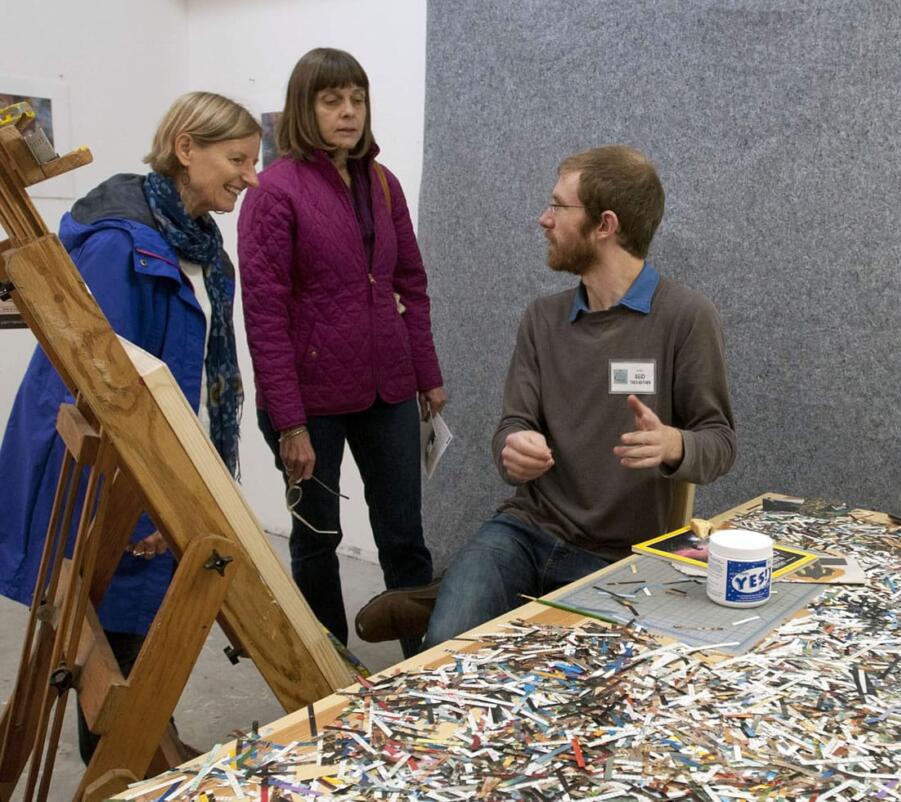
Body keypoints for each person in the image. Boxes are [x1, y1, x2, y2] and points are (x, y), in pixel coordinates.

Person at [0, 91, 260, 761]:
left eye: (254, 161)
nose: (251, 176)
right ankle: (133, 762)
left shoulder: (200, 244)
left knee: (146, 650)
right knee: (118, 659)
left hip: (174, 477)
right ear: (185, 149)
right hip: (127, 491)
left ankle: (143, 751)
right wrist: (138, 503)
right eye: (237, 158)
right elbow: (100, 392)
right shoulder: (124, 245)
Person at [422, 145, 736, 649]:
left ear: (605, 224)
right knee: (445, 644)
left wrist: (675, 444)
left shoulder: (685, 317)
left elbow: (719, 442)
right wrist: (515, 446)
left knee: (586, 692)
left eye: (558, 207)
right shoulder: (542, 320)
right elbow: (511, 426)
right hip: (524, 533)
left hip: (621, 557)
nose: (543, 219)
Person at [237, 48, 445, 655]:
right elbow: (265, 317)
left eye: (357, 99)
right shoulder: (274, 192)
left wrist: (427, 375)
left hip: (388, 390)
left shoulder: (383, 183)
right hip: (310, 404)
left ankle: (422, 664)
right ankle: (331, 670)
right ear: (307, 107)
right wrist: (290, 424)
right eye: (333, 101)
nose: (349, 112)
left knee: (405, 537)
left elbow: (411, 283)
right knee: (315, 540)